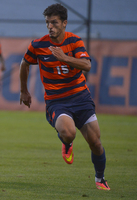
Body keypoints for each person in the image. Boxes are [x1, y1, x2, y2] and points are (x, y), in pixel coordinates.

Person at [19, 3, 110, 190]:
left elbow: (87, 65)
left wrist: (64, 58)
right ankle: (66, 143)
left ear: (64, 23)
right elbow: (24, 63)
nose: (50, 27)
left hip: (80, 98)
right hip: (56, 101)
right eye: (47, 23)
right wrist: (24, 90)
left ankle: (100, 179)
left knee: (96, 143)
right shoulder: (38, 45)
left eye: (54, 23)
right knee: (69, 133)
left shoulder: (75, 41)